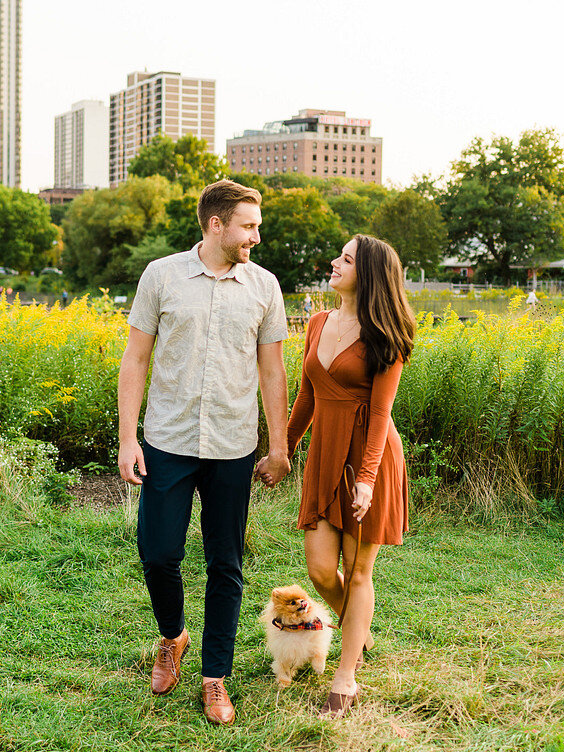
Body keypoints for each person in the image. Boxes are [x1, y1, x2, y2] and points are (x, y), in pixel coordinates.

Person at [118, 179, 289, 726]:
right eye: (249, 226)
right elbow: (136, 360)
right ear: (217, 225)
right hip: (167, 441)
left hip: (233, 445)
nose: (256, 237)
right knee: (159, 555)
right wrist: (127, 438)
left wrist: (279, 445)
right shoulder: (161, 275)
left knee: (226, 563)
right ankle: (173, 636)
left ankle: (215, 676)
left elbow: (272, 370)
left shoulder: (265, 286)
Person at [273, 234, 415, 717]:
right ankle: (358, 627)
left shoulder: (387, 336)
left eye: (347, 259)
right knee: (318, 570)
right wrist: (283, 448)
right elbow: (307, 397)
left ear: (369, 274)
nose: (335, 262)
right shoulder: (317, 323)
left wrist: (368, 479)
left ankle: (346, 675)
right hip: (325, 453)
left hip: (368, 457)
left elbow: (380, 413)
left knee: (358, 573)